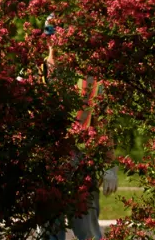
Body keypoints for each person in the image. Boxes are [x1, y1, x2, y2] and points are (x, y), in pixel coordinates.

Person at [35, 16, 120, 240]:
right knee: (48, 233)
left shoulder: (89, 78)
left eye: (58, 33)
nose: (54, 39)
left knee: (87, 232)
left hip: (80, 164)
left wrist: (109, 164)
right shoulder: (34, 73)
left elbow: (102, 122)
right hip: (45, 164)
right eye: (50, 32)